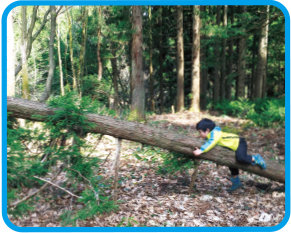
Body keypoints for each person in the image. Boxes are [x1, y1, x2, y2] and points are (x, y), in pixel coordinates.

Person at [193, 118, 267, 191]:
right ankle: (236, 182)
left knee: (241, 158)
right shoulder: (211, 135)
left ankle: (256, 158)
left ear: (207, 130)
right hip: (232, 146)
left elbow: (211, 142)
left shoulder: (215, 134)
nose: (200, 134)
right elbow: (208, 142)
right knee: (232, 162)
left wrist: (201, 150)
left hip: (239, 142)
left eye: (200, 132)